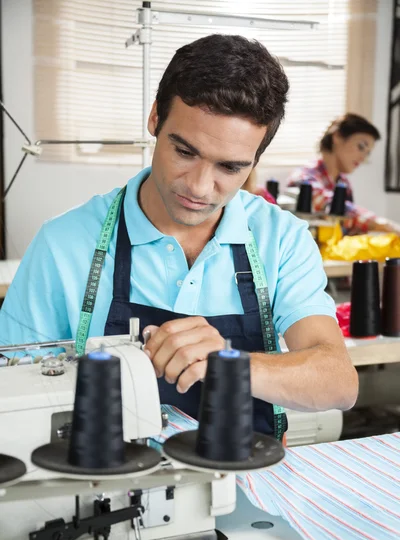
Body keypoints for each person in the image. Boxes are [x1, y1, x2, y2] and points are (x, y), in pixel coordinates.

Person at [0, 35, 358, 438]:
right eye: (185, 152)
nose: (201, 188)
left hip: (245, 481)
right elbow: (10, 391)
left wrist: (229, 363)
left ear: (255, 161)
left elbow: (338, 382)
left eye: (230, 167)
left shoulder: (282, 240)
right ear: (155, 118)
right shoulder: (63, 244)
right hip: (105, 490)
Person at [287, 113, 400, 235]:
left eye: (367, 153)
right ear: (338, 137)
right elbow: (329, 206)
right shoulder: (304, 178)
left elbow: (349, 229)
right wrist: (383, 224)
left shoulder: (344, 184)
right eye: (361, 147)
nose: (362, 157)